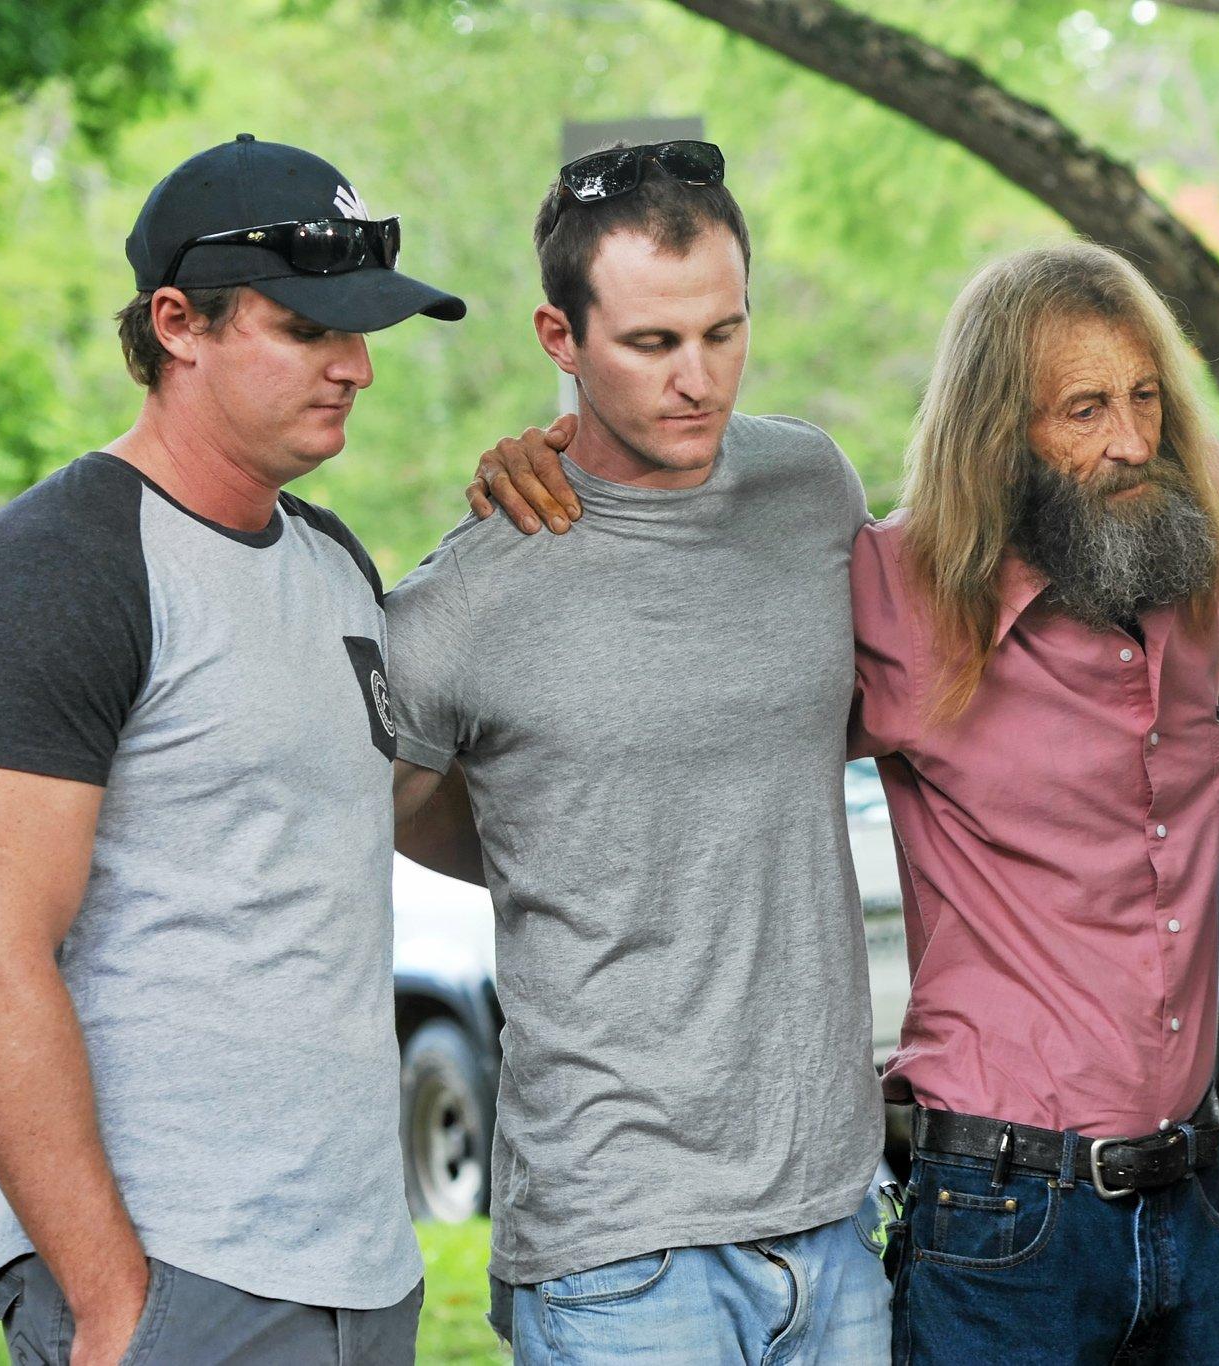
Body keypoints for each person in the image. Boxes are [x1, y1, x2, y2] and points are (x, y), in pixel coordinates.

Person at [468, 242, 1219, 1366]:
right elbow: (684, 622)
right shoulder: (887, 592)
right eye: (1081, 410)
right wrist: (559, 453)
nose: (1126, 442)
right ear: (1000, 431)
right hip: (997, 1210)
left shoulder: (1207, 515)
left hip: (1198, 1194)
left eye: (1143, 399)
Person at [0, 135, 463, 1366]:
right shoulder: (57, 570)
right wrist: (114, 1305)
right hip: (180, 1278)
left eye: (362, 331)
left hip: (361, 1269)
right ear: (179, 322)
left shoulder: (331, 562)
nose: (357, 366)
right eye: (309, 328)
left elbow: (389, 815)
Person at [384, 141, 891, 1364]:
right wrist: (553, 848)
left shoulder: (808, 486)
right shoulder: (471, 590)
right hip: (618, 1240)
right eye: (651, 345)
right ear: (559, 338)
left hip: (832, 1210)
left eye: (723, 332)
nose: (698, 379)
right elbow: (385, 807)